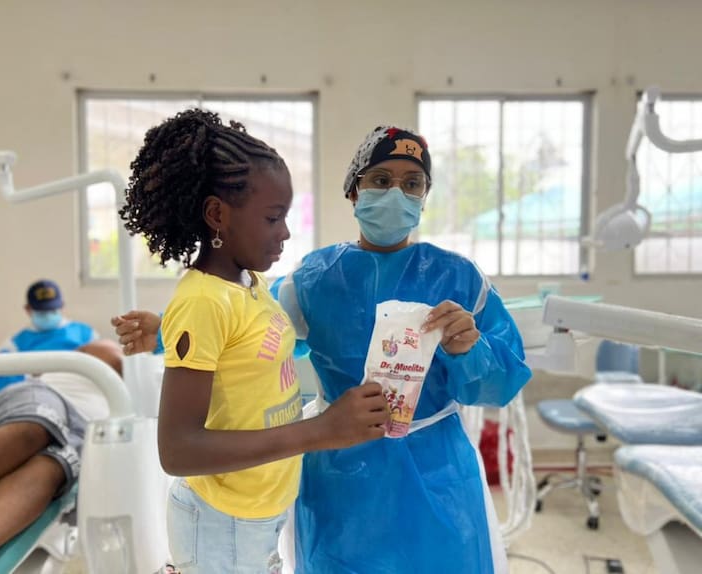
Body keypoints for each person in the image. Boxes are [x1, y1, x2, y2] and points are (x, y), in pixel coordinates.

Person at [114, 125, 533, 574]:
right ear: (354, 191)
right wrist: (165, 332)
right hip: (340, 473)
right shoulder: (314, 279)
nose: (396, 194)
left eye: (412, 183)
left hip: (437, 478)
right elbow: (252, 333)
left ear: (425, 196)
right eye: (381, 180)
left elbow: (501, 382)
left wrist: (470, 348)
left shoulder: (460, 279)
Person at [117, 109, 388, 574]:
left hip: (254, 511)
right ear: (217, 215)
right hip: (222, 522)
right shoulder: (203, 300)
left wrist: (162, 332)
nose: (285, 232)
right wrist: (321, 430)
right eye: (272, 217)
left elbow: (242, 350)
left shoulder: (249, 283)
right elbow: (177, 449)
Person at [0, 340, 121, 574]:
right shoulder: (107, 351)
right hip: (47, 397)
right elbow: (112, 358)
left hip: (86, 430)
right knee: (37, 426)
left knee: (55, 465)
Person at [0, 279, 98, 396]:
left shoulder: (87, 335)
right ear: (28, 309)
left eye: (52, 310)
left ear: (62, 306)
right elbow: (1, 389)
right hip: (39, 395)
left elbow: (101, 371)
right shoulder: (14, 346)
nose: (48, 316)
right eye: (41, 312)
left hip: (80, 392)